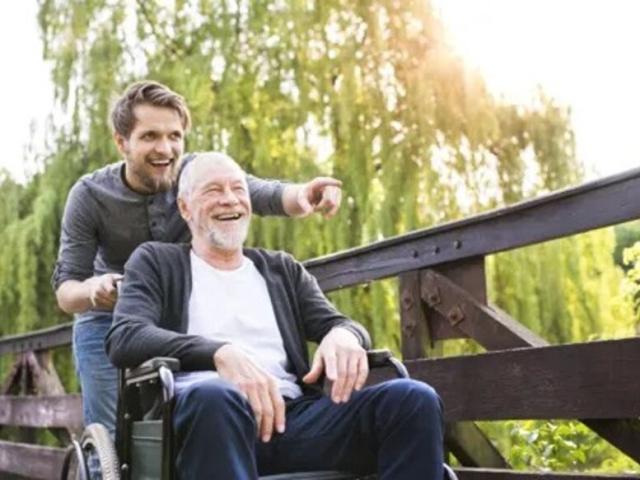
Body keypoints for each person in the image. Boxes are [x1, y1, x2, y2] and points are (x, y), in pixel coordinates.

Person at [105, 152, 444, 479]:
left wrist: (345, 334)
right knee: (215, 396)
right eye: (213, 190)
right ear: (185, 207)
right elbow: (125, 337)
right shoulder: (156, 261)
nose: (230, 200)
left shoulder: (280, 268)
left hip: (292, 420)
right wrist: (219, 353)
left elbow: (338, 323)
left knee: (413, 400)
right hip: (208, 423)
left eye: (238, 189)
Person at [52, 81, 343, 435]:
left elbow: (260, 193)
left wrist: (306, 195)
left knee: (180, 425)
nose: (165, 148)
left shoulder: (195, 175)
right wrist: (94, 289)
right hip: (107, 321)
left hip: (174, 315)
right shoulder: (89, 195)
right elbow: (66, 292)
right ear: (121, 142)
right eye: (150, 137)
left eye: (175, 136)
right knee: (112, 435)